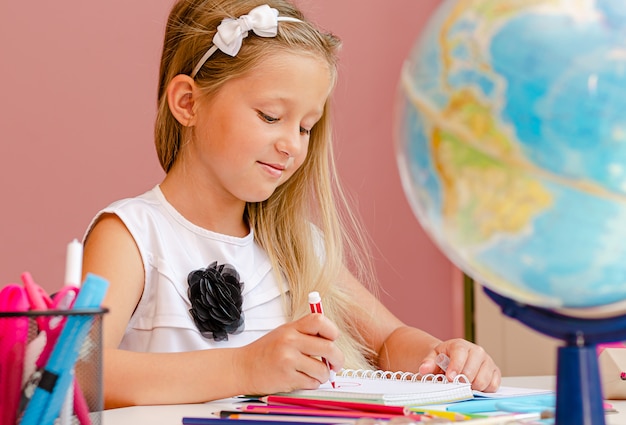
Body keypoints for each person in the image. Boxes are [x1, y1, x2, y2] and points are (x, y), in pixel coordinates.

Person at [82, 0, 501, 409]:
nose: (292, 145)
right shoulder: (132, 236)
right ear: (188, 102)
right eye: (269, 116)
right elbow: (77, 372)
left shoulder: (297, 247)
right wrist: (243, 367)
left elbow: (391, 340)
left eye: (306, 127)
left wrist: (442, 355)